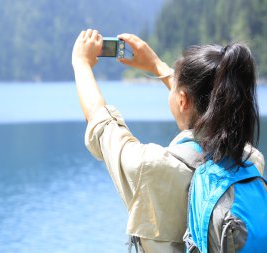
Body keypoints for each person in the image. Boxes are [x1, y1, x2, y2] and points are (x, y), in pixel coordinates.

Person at [71, 29, 265, 253]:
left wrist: (81, 63)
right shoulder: (250, 160)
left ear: (182, 99)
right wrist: (157, 66)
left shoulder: (151, 167)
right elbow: (209, 100)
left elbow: (101, 124)